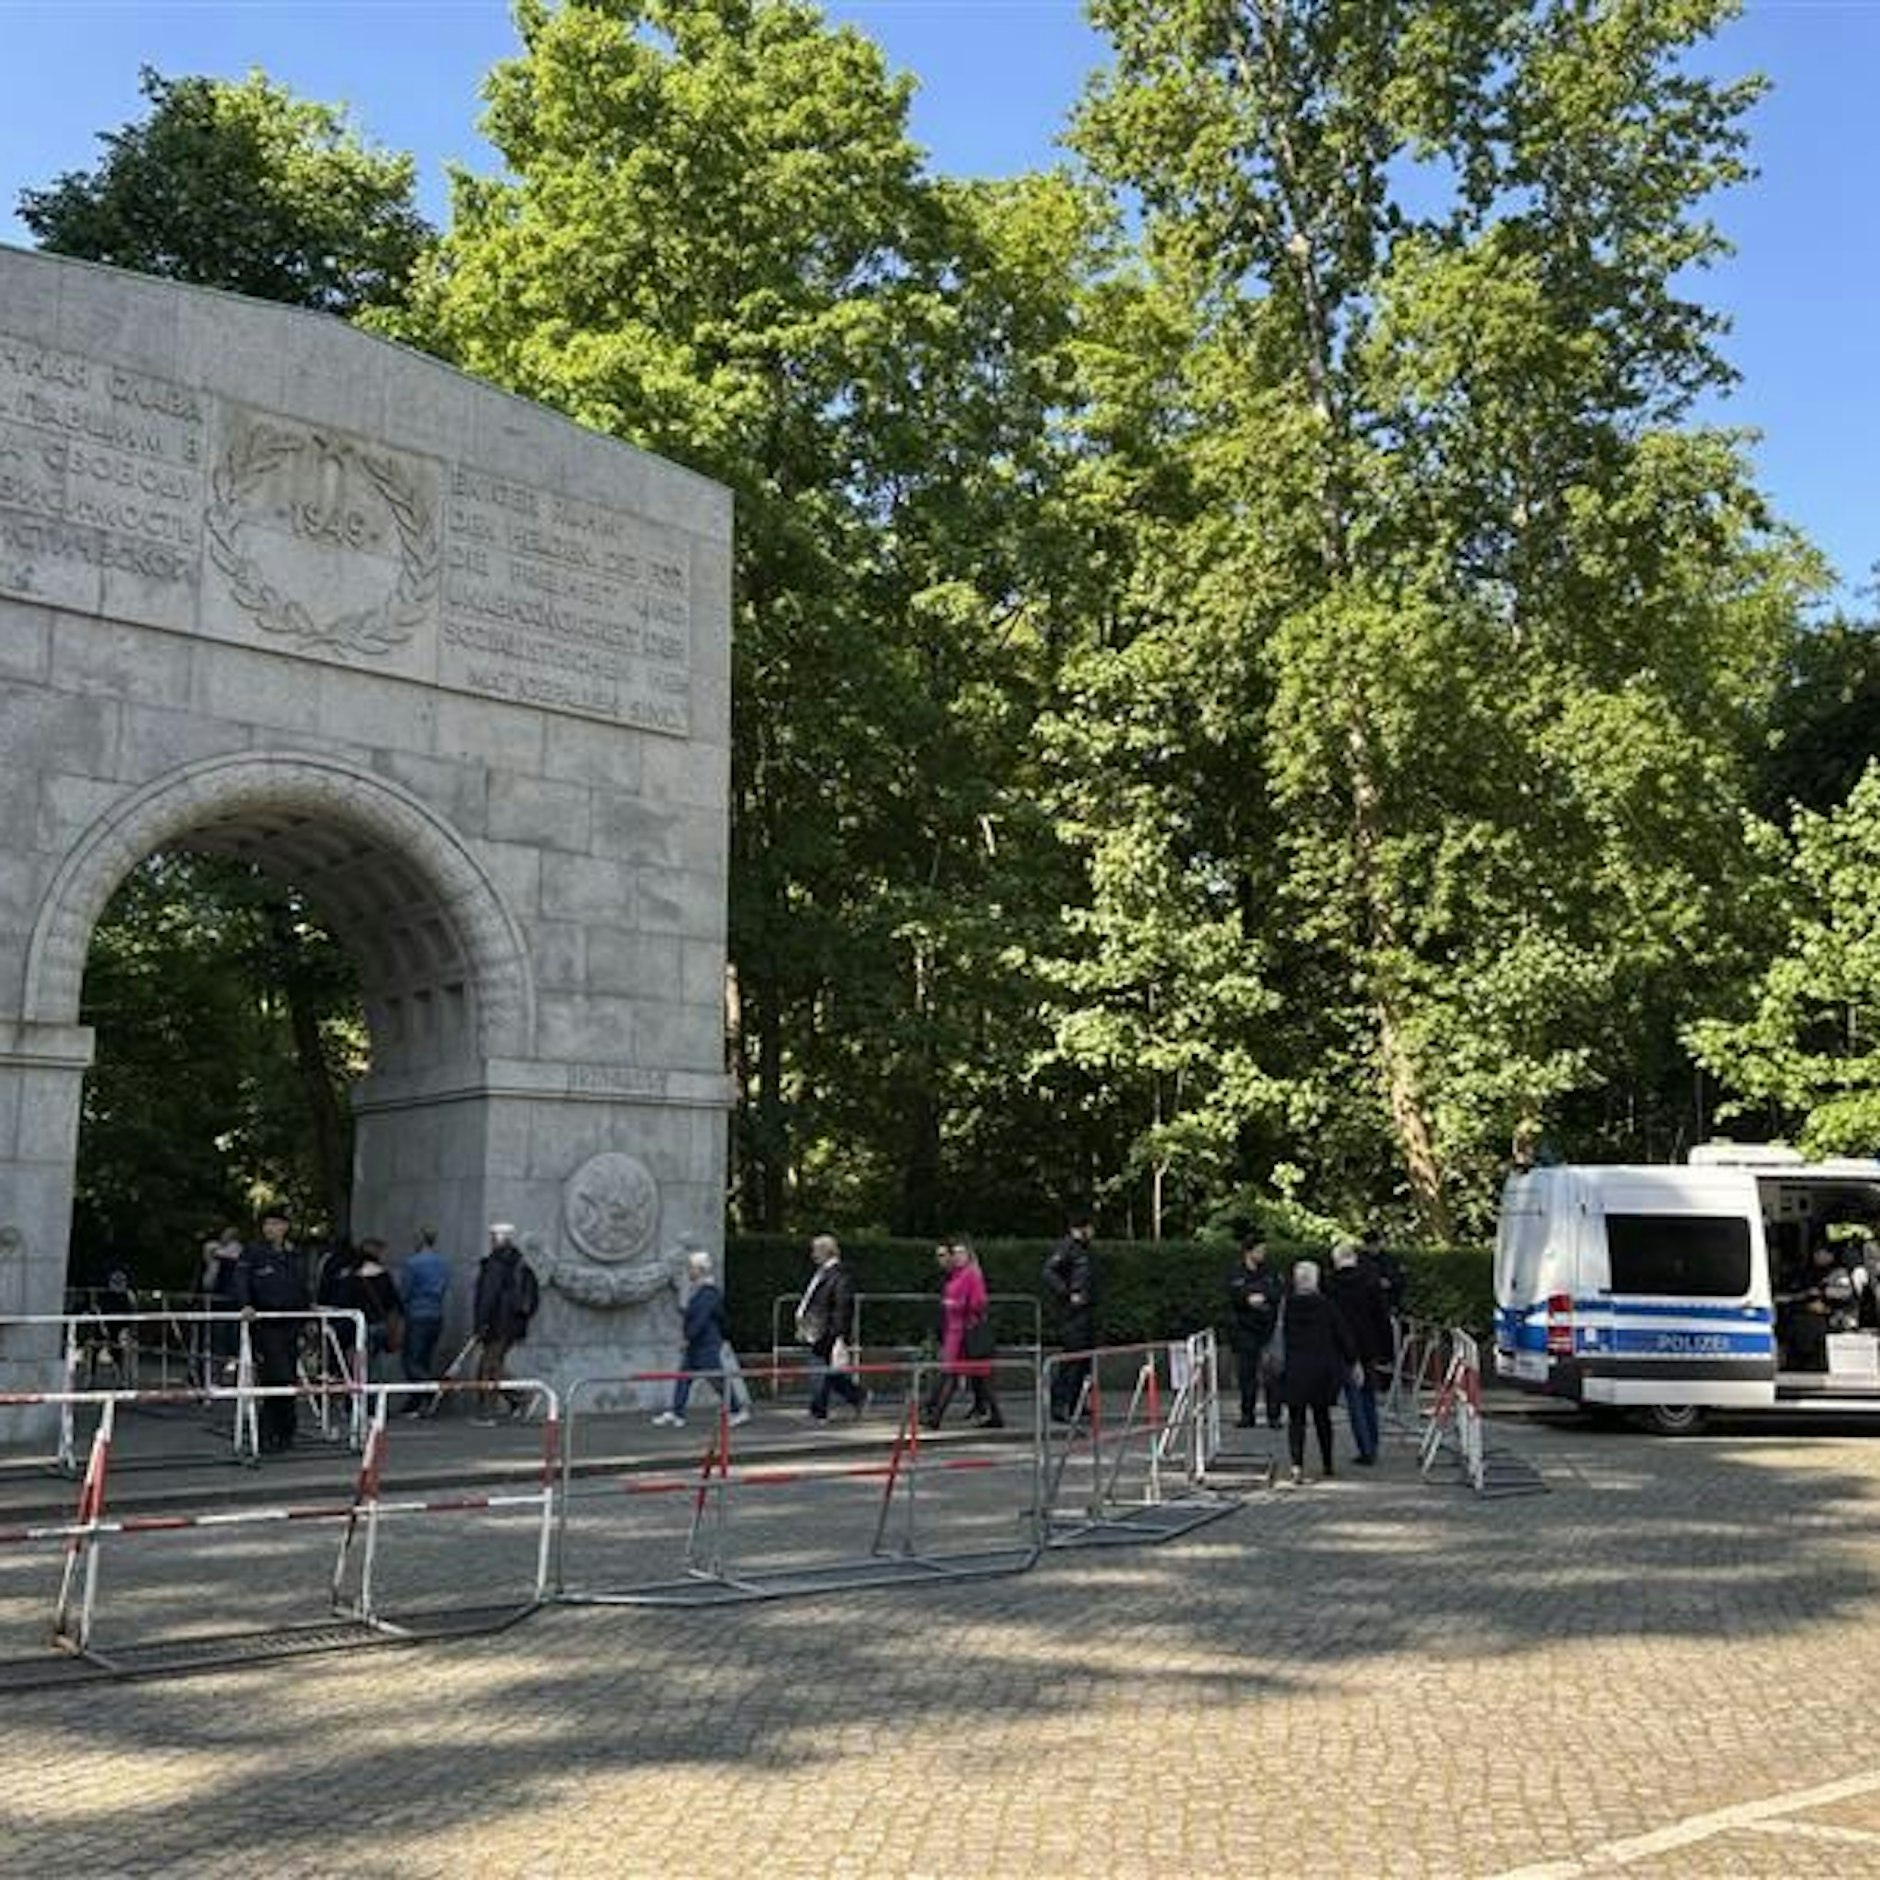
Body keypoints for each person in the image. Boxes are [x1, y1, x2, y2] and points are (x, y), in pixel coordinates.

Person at [234, 1209, 309, 1455]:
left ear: (285, 1226)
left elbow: (302, 1284)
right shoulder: (254, 1252)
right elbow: (242, 1279)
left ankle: (285, 1432)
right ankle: (269, 1432)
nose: (270, 1229)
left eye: (275, 1224)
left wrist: (308, 1312)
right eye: (267, 1224)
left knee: (286, 1376)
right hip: (267, 1322)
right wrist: (245, 1304)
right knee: (275, 1375)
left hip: (291, 1321)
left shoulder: (294, 1254)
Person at [653, 1250, 751, 1429]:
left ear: (700, 1270)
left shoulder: (708, 1292)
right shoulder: (703, 1291)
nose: (688, 1271)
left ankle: (738, 1410)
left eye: (691, 1268)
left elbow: (701, 1319)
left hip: (706, 1344)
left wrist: (688, 1338)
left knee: (717, 1379)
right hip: (700, 1343)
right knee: (684, 1378)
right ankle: (677, 1413)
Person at [1279, 1259, 1356, 1486]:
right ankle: (1328, 1462)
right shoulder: (1327, 1306)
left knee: (1296, 1419)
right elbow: (1342, 1335)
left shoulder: (1287, 1306)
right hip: (1321, 1370)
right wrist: (1352, 1359)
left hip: (1294, 1368)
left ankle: (1296, 1465)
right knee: (1323, 1417)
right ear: (1316, 1281)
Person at [924, 1240, 1003, 1430]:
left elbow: (979, 1302)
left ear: (968, 1255)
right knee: (970, 1376)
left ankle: (936, 1416)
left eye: (961, 1253)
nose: (958, 1256)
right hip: (956, 1331)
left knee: (958, 1374)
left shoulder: (971, 1274)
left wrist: (956, 1304)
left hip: (965, 1331)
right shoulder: (956, 1275)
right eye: (956, 1253)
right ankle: (995, 1416)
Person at [1327, 1239, 1393, 1466]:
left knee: (1353, 1397)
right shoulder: (1370, 1282)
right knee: (1368, 1396)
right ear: (1354, 1259)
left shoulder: (1331, 1285)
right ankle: (1372, 1443)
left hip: (1344, 1348)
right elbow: (1381, 1318)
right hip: (1368, 1345)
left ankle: (1365, 1447)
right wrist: (1386, 1350)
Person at [472, 1222, 539, 1423]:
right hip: (511, 1324)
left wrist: (481, 1323)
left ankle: (517, 1399)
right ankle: (516, 1401)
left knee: (489, 1367)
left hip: (496, 1324)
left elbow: (488, 1297)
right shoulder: (518, 1263)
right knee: (493, 1364)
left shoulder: (495, 1264)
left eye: (493, 1237)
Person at [795, 1233, 865, 1421]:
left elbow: (842, 1306)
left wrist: (837, 1334)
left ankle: (819, 1411)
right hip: (816, 1328)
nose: (812, 1254)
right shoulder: (823, 1273)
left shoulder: (839, 1275)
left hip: (826, 1331)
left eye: (815, 1250)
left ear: (826, 1251)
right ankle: (857, 1396)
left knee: (819, 1370)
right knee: (827, 1372)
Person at [1042, 1207, 1098, 1422]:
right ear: (1080, 1229)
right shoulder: (1067, 1248)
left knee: (1084, 1362)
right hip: (1072, 1314)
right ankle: (1059, 1404)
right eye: (1089, 1227)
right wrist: (1067, 1294)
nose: (1092, 1232)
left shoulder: (1086, 1249)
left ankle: (1077, 1402)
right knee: (1071, 1360)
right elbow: (1048, 1272)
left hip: (1087, 1311)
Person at [1226, 1238, 1284, 1429]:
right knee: (1247, 1374)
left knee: (1272, 1375)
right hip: (1245, 1329)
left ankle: (1274, 1416)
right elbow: (1234, 1294)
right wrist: (1248, 1299)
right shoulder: (1236, 1271)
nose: (1263, 1253)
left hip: (1267, 1328)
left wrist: (1263, 1296)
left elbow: (1278, 1291)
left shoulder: (1271, 1271)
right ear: (1248, 1252)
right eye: (1259, 1250)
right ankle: (1247, 1414)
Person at [399, 1227, 451, 1408]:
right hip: (436, 1314)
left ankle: (430, 1389)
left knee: (411, 1360)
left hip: (417, 1314)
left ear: (421, 1240)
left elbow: (405, 1291)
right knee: (425, 1358)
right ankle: (417, 1400)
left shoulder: (413, 1263)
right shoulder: (442, 1263)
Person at [349, 1238, 403, 1380]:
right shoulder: (384, 1276)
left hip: (362, 1326)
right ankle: (377, 1395)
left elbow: (346, 1302)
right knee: (377, 1364)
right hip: (380, 1325)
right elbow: (394, 1302)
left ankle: (363, 1397)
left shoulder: (354, 1278)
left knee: (361, 1364)